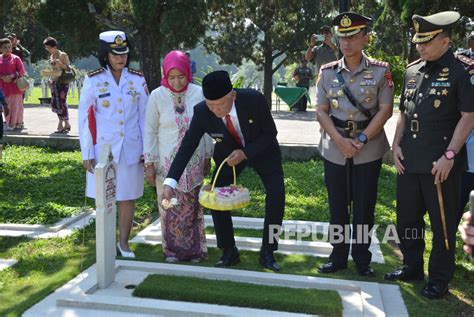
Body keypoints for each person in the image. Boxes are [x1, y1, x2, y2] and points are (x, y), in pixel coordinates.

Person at [385, 11, 474, 299]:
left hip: (441, 165)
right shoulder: (413, 71)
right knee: (407, 221)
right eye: (418, 42)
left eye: (426, 42)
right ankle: (412, 266)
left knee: (442, 225)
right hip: (409, 161)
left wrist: (450, 155)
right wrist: (395, 145)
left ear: (445, 41)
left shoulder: (462, 72)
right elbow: (403, 113)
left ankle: (439, 278)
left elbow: (469, 117)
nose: (420, 47)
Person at [161, 70, 285, 271]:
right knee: (215, 195)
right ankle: (229, 250)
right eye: (211, 105)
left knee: (277, 195)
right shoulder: (202, 112)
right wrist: (170, 182)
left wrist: (245, 153)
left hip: (263, 150)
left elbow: (271, 133)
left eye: (220, 105)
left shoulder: (254, 100)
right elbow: (187, 146)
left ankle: (268, 251)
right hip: (228, 155)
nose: (216, 111)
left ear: (232, 95)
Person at [315, 12, 394, 277]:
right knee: (338, 205)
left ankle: (362, 258)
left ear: (365, 38)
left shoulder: (381, 70)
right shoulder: (327, 72)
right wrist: (339, 141)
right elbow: (321, 111)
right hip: (335, 147)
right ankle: (337, 256)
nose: (346, 42)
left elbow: (386, 110)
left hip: (367, 147)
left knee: (364, 206)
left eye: (352, 36)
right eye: (342, 37)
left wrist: (360, 139)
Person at [78, 30, 148, 258]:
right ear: (105, 55)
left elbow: (144, 118)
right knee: (105, 198)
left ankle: (124, 243)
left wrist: (148, 152)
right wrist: (87, 152)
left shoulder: (137, 79)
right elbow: (84, 119)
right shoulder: (93, 80)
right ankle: (106, 242)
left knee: (127, 197)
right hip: (104, 150)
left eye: (124, 53)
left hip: (131, 149)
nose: (121, 58)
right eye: (115, 54)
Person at [143, 50, 212, 263]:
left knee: (192, 206)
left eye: (181, 76)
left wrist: (208, 155)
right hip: (166, 159)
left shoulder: (199, 93)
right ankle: (172, 251)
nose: (177, 81)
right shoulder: (157, 96)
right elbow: (150, 130)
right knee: (169, 205)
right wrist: (149, 162)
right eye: (171, 77)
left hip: (194, 160)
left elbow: (208, 127)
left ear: (188, 73)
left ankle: (194, 251)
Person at [43, 37, 72, 134]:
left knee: (62, 102)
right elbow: (54, 70)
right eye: (46, 48)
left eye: (48, 47)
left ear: (54, 46)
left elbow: (69, 69)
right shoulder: (51, 56)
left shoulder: (63, 55)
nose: (47, 49)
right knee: (56, 103)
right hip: (54, 82)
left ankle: (65, 123)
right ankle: (62, 123)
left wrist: (60, 63)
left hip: (63, 82)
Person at [0, 37, 25, 131]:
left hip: (15, 87)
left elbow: (22, 71)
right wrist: (2, 77)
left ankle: (16, 124)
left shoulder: (16, 58)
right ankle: (9, 123)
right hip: (3, 88)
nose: (8, 49)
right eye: (5, 47)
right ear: (0, 49)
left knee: (16, 106)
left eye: (9, 47)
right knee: (6, 106)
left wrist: (12, 76)